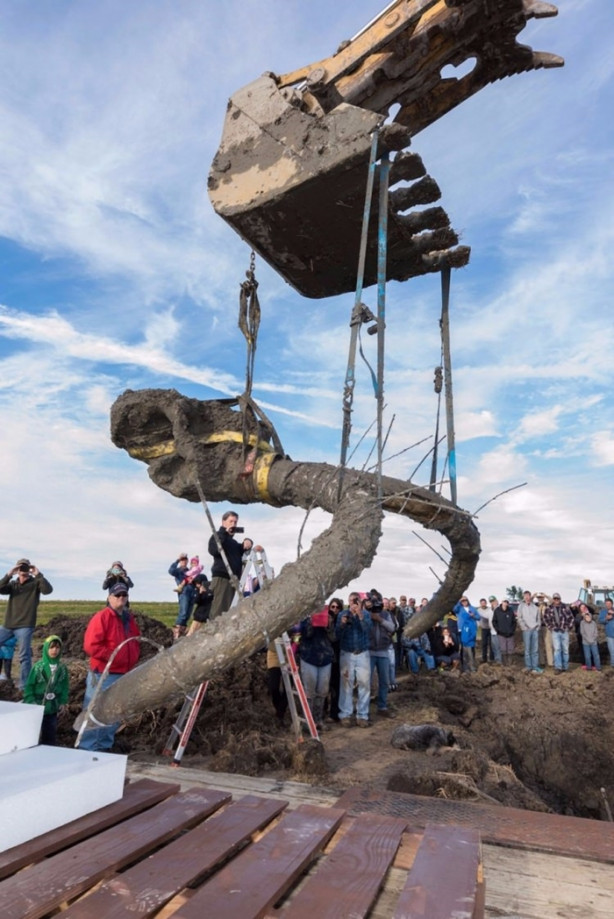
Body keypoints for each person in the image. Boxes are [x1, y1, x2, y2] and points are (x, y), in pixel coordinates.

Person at [79, 582, 140, 751]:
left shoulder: (129, 618)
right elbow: (91, 646)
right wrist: (113, 656)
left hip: (123, 673)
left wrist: (132, 656)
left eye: (124, 595)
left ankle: (104, 747)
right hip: (103, 675)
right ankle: (88, 749)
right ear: (109, 598)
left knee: (113, 713)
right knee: (96, 711)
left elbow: (135, 640)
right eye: (117, 595)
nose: (121, 598)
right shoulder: (102, 617)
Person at [0, 558, 53, 689]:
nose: (23, 570)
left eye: (26, 567)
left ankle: (24, 686)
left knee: (24, 656)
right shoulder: (12, 585)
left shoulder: (35, 583)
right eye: (21, 567)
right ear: (17, 569)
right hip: (8, 624)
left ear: (30, 569)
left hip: (25, 625)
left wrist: (38, 574)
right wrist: (9, 573)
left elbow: (48, 590)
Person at [23, 635, 69, 745]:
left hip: (52, 707)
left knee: (50, 732)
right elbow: (30, 685)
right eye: (51, 647)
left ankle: (48, 749)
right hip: (37, 705)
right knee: (33, 733)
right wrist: (30, 701)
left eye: (57, 648)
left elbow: (64, 686)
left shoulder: (62, 668)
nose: (54, 650)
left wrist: (63, 701)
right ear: (46, 648)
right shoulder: (38, 667)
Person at [336, 592, 372, 727]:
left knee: (364, 684)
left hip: (362, 653)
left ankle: (362, 715)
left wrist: (360, 615)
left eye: (356, 601)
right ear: (348, 601)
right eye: (351, 601)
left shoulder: (365, 614)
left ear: (360, 602)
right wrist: (342, 624)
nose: (353, 603)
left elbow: (368, 629)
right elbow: (337, 634)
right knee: (346, 684)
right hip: (347, 653)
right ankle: (345, 714)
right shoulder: (343, 615)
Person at [299, 607, 335, 730]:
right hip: (309, 656)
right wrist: (312, 621)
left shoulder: (328, 617)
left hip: (325, 657)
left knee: (323, 691)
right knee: (309, 692)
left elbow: (333, 638)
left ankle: (318, 719)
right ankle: (308, 722)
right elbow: (306, 635)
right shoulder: (304, 617)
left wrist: (329, 625)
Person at [208, 510, 245, 619]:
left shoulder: (232, 543)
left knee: (230, 611)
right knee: (219, 611)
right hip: (222, 578)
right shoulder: (217, 536)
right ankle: (213, 634)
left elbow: (239, 551)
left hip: (233, 579)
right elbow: (213, 550)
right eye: (231, 521)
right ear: (223, 522)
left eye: (235, 522)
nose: (233, 524)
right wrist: (224, 532)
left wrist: (248, 543)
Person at [367, 590, 395, 718]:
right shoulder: (366, 614)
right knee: (366, 682)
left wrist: (379, 619)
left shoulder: (385, 614)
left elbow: (392, 628)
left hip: (383, 651)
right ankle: (364, 709)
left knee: (384, 681)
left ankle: (382, 707)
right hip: (369, 651)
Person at [542, 592, 575, 674]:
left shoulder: (565, 607)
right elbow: (545, 619)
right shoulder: (549, 608)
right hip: (555, 632)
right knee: (557, 649)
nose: (556, 600)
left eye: (558, 599)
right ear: (553, 599)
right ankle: (558, 667)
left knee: (565, 650)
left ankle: (565, 667)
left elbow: (571, 618)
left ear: (560, 599)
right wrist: (551, 627)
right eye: (555, 599)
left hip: (564, 631)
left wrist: (568, 628)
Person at [168, 553, 195, 639]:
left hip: (192, 593)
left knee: (188, 614)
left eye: (185, 559)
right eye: (182, 560)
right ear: (180, 561)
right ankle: (176, 632)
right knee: (183, 612)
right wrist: (177, 560)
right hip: (184, 592)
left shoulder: (190, 571)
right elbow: (171, 571)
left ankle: (182, 632)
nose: (184, 561)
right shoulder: (178, 571)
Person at [517, 590, 543, 673]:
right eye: (525, 596)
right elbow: (519, 618)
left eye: (528, 595)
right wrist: (524, 627)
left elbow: (538, 618)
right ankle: (528, 666)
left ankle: (535, 667)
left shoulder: (535, 607)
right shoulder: (521, 606)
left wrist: (537, 627)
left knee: (535, 650)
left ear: (530, 597)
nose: (527, 597)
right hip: (526, 631)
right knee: (527, 650)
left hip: (534, 630)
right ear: (524, 597)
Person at [455, 596, 479, 672]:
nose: (464, 602)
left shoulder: (472, 608)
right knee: (464, 649)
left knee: (471, 648)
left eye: (465, 600)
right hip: (462, 630)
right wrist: (459, 601)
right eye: (462, 601)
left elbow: (478, 617)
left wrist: (473, 616)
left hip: (471, 630)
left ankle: (472, 665)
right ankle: (465, 667)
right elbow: (454, 609)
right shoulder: (459, 609)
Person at [492, 599, 517, 666]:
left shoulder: (510, 610)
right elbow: (494, 622)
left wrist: (512, 630)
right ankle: (504, 664)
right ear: (502, 602)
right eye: (504, 602)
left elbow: (514, 622)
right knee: (503, 649)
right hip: (501, 634)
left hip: (510, 634)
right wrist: (498, 630)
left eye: (507, 602)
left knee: (510, 649)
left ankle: (510, 663)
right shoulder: (497, 611)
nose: (505, 603)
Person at [578, 604, 601, 671]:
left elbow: (596, 632)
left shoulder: (593, 623)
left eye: (589, 617)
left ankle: (598, 667)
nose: (588, 618)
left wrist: (593, 639)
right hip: (586, 643)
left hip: (594, 642)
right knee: (587, 656)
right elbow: (583, 633)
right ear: (584, 617)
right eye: (586, 617)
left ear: (591, 617)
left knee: (596, 655)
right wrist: (588, 640)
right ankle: (588, 667)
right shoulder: (582, 623)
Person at [598, 599, 614, 668]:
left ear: (612, 604)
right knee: (612, 651)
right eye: (606, 604)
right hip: (610, 634)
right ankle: (613, 664)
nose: (608, 605)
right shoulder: (603, 612)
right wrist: (606, 618)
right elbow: (600, 620)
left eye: (609, 603)